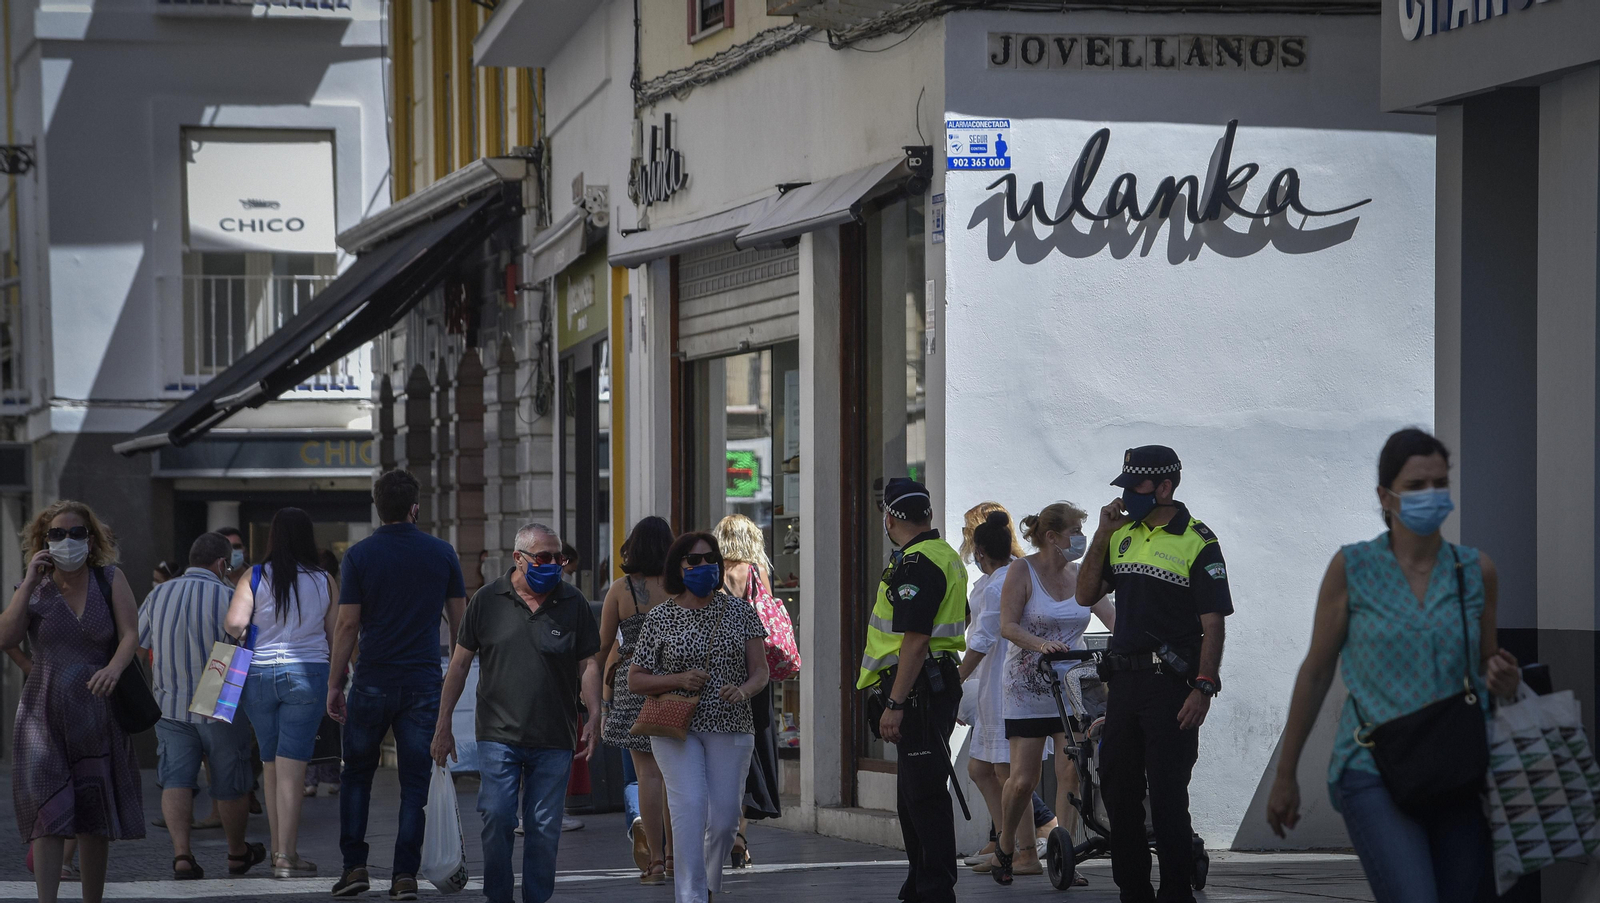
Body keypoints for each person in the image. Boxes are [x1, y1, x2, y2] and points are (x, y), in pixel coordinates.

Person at [1266, 429, 1519, 903]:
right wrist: (1286, 774)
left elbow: (1488, 666)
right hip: (1372, 763)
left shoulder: (1474, 571)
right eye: (1417, 486)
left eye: (1440, 484)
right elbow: (1317, 671)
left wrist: (1505, 679)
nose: (1431, 496)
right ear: (1386, 496)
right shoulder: (1353, 567)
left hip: (1457, 767)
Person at [1076, 446, 1231, 903]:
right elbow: (1086, 593)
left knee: (1167, 798)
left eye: (1137, 487)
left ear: (1165, 487)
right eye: (1124, 487)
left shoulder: (1199, 540)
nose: (1128, 496)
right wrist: (1102, 534)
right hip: (1124, 686)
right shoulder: (1122, 535)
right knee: (1119, 795)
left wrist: (1204, 687)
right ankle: (1134, 892)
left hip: (1172, 686)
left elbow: (1214, 625)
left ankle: (1177, 892)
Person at [433, 523, 602, 903]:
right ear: (518, 558)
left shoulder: (572, 602)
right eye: (544, 558)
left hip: (554, 736)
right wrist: (442, 725)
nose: (555, 565)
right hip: (498, 736)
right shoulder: (487, 600)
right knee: (497, 818)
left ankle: (536, 898)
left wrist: (594, 712)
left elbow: (587, 664)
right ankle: (498, 897)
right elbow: (458, 666)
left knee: (544, 827)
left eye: (559, 558)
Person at [327, 469, 467, 900]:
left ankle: (354, 868)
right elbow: (462, 624)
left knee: (357, 777)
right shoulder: (443, 553)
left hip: (372, 679)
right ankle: (404, 875)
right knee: (415, 782)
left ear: (377, 508)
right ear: (414, 508)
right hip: (424, 682)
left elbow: (348, 623)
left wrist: (336, 682)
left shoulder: (359, 556)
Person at [1, 500, 144, 903]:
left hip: (98, 713)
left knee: (93, 818)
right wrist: (29, 582)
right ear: (43, 541)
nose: (68, 540)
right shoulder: (32, 589)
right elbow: (5, 637)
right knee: (47, 814)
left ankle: (91, 900)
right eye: (58, 534)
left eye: (77, 532)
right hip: (42, 714)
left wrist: (114, 668)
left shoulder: (109, 579)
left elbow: (130, 633)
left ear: (91, 538)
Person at [628, 531, 769, 903]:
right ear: (679, 567)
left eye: (710, 559)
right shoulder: (660, 617)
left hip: (731, 724)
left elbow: (761, 671)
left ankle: (706, 885)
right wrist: (678, 679)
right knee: (689, 809)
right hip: (675, 728)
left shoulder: (741, 612)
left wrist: (743, 691)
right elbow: (636, 678)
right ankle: (690, 896)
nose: (704, 566)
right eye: (694, 561)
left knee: (723, 821)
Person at [991, 502, 1116, 884]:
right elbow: (1008, 626)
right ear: (1051, 537)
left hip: (1072, 688)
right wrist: (1040, 644)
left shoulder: (1081, 575)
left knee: (1072, 773)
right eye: (1075, 530)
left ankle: (1065, 858)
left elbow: (1114, 619)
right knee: (1024, 779)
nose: (1079, 537)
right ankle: (1006, 844)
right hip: (1027, 688)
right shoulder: (1022, 570)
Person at [856, 477, 968, 903]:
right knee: (913, 797)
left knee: (923, 797)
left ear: (889, 517)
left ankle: (935, 889)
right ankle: (919, 884)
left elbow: (917, 640)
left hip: (918, 691)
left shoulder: (917, 563)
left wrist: (895, 703)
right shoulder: (944, 556)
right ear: (928, 516)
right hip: (931, 685)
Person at [138, 531, 267, 879]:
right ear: (223, 563)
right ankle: (237, 853)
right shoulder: (229, 595)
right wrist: (221, 693)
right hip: (217, 696)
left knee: (176, 779)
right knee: (231, 781)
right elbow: (243, 649)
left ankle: (182, 855)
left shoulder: (158, 594)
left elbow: (138, 643)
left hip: (167, 700)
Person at [226, 507, 337, 880]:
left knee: (272, 766)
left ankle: (279, 852)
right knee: (293, 767)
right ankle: (288, 855)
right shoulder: (324, 580)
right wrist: (338, 683)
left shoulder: (253, 576)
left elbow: (236, 623)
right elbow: (335, 635)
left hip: (257, 675)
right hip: (308, 673)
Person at [597, 516, 675, 884]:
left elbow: (604, 649)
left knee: (647, 775)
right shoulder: (680, 587)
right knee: (677, 774)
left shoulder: (620, 589)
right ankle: (677, 857)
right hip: (676, 684)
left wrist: (602, 700)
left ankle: (655, 862)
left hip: (633, 685)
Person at [713, 513, 783, 868]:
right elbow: (768, 615)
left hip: (721, 669)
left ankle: (719, 829)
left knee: (724, 748)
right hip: (754, 669)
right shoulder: (754, 571)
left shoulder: (711, 570)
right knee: (753, 745)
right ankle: (740, 834)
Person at [303, 548, 345, 799]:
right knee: (331, 722)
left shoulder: (300, 588)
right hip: (328, 664)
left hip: (306, 666)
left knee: (307, 725)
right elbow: (340, 630)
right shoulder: (332, 588)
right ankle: (331, 775)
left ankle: (309, 780)